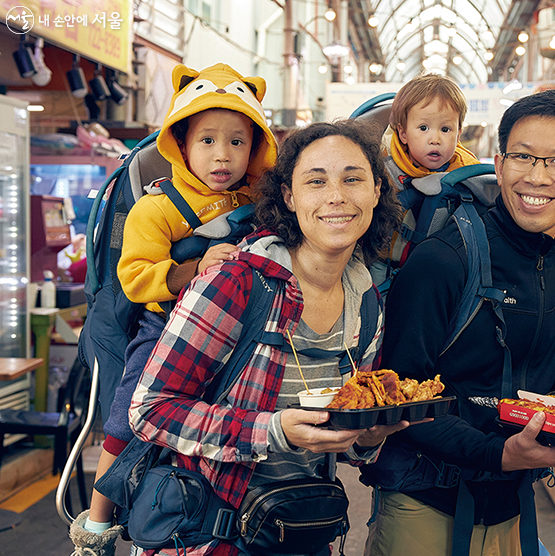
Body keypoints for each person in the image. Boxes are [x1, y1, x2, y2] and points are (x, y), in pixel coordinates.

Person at [127, 119, 405, 556]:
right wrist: (272, 430)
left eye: (353, 179)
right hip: (209, 537)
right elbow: (149, 411)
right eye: (316, 181)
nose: (337, 195)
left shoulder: (366, 299)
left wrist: (369, 436)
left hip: (301, 530)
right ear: (290, 197)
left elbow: (346, 442)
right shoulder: (236, 284)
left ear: (376, 191)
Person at [362, 88, 555, 556]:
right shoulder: (444, 258)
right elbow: (398, 392)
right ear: (498, 162)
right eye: (522, 157)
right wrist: (498, 452)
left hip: (511, 503)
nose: (537, 177)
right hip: (423, 502)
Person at [68, 63, 278, 555]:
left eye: (237, 141)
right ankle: (96, 525)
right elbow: (136, 275)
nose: (222, 155)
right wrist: (195, 268)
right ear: (180, 144)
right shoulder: (157, 207)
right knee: (129, 417)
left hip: (236, 335)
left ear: (255, 148)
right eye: (207, 141)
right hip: (166, 329)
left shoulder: (259, 200)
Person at [380, 72, 480, 271]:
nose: (435, 139)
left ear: (458, 134)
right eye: (423, 127)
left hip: (440, 269)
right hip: (384, 265)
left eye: (445, 129)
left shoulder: (468, 173)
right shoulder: (384, 169)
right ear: (403, 133)